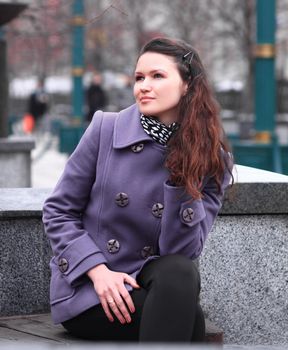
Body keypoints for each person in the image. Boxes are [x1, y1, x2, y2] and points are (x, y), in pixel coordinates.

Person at [42, 37, 233, 343]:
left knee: (181, 274)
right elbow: (58, 211)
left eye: (157, 76)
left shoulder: (211, 160)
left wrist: (182, 174)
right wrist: (97, 271)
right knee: (191, 319)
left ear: (188, 85)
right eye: (139, 78)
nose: (144, 86)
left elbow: (182, 253)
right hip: (92, 288)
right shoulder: (106, 129)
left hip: (152, 280)